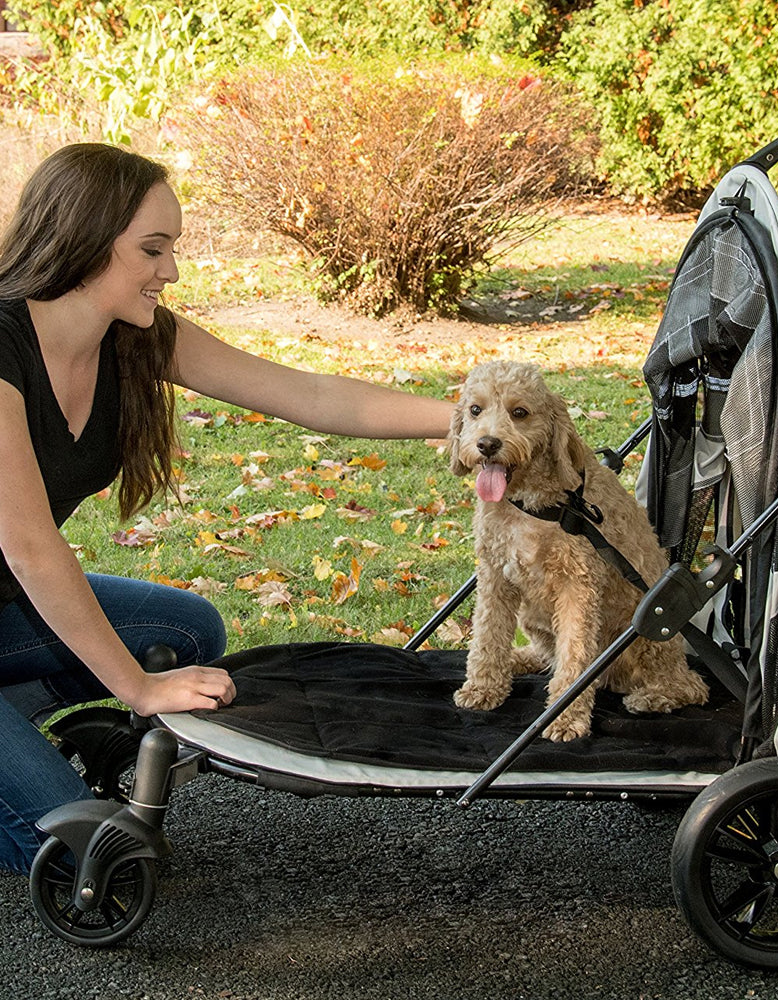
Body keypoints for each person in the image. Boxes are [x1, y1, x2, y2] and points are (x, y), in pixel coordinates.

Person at [0, 143, 455, 875]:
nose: (170, 271)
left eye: (170, 247)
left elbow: (309, 395)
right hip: (17, 581)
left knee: (188, 630)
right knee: (82, 860)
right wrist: (136, 686)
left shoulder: (136, 340)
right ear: (83, 238)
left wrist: (473, 418)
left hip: (4, 609)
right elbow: (29, 546)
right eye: (152, 249)